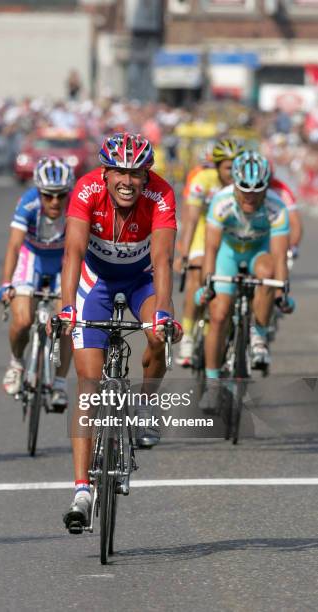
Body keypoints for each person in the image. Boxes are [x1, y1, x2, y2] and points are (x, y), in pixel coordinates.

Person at [58, 132, 183, 534]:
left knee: (157, 334)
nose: (128, 181)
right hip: (95, 282)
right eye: (120, 173)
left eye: (137, 173)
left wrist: (162, 313)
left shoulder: (161, 195)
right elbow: (73, 253)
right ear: (106, 172)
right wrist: (65, 308)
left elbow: (163, 260)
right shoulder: (86, 189)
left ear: (147, 176)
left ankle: (145, 405)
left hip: (141, 280)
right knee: (89, 384)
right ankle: (81, 490)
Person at [196, 151, 295, 413]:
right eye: (244, 189)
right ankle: (213, 384)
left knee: (268, 272)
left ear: (266, 187)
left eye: (257, 190)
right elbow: (211, 249)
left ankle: (259, 336)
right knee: (218, 315)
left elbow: (279, 257)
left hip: (258, 254)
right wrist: (207, 285)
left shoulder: (276, 207)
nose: (250, 195)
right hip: (227, 255)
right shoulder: (221, 202)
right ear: (234, 185)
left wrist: (282, 291)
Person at [0, 157, 74, 410]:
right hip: (33, 259)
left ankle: (60, 383)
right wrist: (6, 283)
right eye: (48, 195)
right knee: (23, 320)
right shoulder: (28, 203)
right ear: (39, 192)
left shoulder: (77, 205)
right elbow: (14, 246)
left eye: (60, 196)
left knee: (68, 322)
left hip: (63, 261)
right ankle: (17, 363)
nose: (54, 202)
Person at [177, 139, 245, 367]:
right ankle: (187, 333)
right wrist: (184, 253)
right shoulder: (202, 180)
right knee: (197, 275)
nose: (233, 172)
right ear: (216, 166)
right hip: (204, 231)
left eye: (237, 165)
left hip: (230, 234)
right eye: (228, 167)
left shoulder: (245, 182)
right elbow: (192, 218)